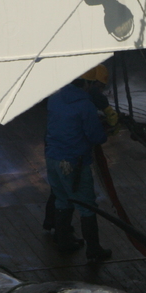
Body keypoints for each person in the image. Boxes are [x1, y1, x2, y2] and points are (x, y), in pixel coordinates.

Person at [43, 65, 114, 262]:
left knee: (61, 199)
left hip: (52, 158)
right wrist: (107, 130)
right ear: (87, 83)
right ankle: (94, 250)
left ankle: (63, 241)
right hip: (74, 162)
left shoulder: (55, 97)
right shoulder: (85, 105)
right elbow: (95, 136)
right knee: (86, 206)